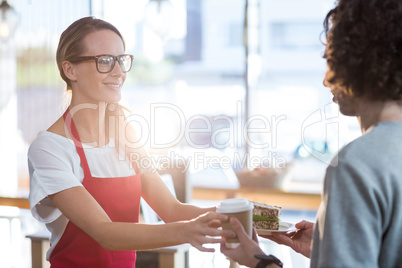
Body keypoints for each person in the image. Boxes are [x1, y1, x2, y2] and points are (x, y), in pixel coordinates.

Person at [27, 16, 234, 267]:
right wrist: (187, 231)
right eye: (104, 61)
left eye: (121, 60)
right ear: (70, 70)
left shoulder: (126, 135)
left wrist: (242, 217)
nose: (118, 72)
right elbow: (105, 232)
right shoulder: (50, 148)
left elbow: (171, 209)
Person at [220, 0, 402, 267]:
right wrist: (326, 250)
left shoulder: (355, 166)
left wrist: (260, 261)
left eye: (331, 61)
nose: (326, 80)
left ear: (357, 62)